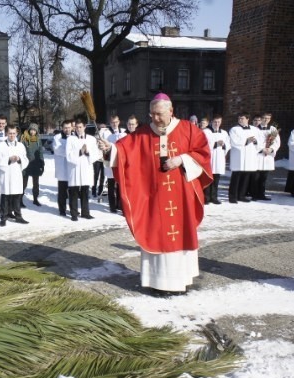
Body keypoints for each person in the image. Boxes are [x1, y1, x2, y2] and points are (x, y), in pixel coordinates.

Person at [98, 93, 212, 293]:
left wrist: (181, 160)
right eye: (152, 114)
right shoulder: (143, 133)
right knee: (156, 235)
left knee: (181, 235)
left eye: (159, 114)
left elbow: (203, 153)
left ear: (171, 111)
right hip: (155, 198)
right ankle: (157, 283)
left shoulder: (188, 130)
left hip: (181, 197)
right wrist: (110, 150)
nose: (155, 118)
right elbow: (124, 151)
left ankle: (181, 280)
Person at [0, 125, 29, 226]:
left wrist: (19, 159)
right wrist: (8, 159)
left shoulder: (20, 146)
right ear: (6, 133)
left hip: (16, 173)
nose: (12, 135)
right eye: (10, 133)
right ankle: (3, 217)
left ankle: (18, 216)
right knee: (5, 196)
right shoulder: (0, 146)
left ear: (17, 133)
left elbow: (25, 159)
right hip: (6, 174)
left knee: (17, 196)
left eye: (14, 133)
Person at [68, 120, 100, 221]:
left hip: (86, 167)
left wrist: (88, 152)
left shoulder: (91, 139)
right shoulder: (70, 139)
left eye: (80, 127)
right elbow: (68, 155)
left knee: (85, 191)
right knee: (74, 191)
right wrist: (79, 152)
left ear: (84, 127)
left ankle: (85, 212)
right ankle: (74, 213)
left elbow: (96, 154)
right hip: (75, 168)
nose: (78, 129)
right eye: (76, 127)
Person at [228, 112, 261, 203]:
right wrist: (246, 140)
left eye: (242, 118)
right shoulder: (234, 129)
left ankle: (241, 195)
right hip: (239, 156)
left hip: (250, 155)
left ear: (247, 119)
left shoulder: (255, 129)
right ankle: (233, 197)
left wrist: (255, 141)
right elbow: (234, 141)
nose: (240, 120)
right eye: (239, 118)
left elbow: (260, 141)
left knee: (246, 176)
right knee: (236, 177)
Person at [251, 112, 280, 201]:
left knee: (264, 177)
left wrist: (271, 149)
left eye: (268, 118)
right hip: (258, 154)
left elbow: (277, 142)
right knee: (256, 176)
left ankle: (262, 194)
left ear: (270, 119)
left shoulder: (273, 129)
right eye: (264, 118)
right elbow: (253, 141)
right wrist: (261, 149)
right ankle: (254, 194)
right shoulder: (254, 129)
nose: (266, 120)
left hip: (268, 156)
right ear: (261, 118)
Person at [202, 115, 231, 205]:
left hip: (219, 158)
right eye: (215, 122)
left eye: (219, 122)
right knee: (208, 178)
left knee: (216, 178)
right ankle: (206, 197)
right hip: (210, 158)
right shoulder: (206, 132)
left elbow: (228, 144)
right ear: (211, 122)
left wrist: (224, 145)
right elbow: (203, 144)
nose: (217, 124)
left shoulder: (224, 133)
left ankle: (214, 197)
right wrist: (215, 143)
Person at [105, 115, 127, 213]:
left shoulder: (124, 133)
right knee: (111, 185)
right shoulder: (107, 135)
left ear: (119, 122)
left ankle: (120, 204)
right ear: (110, 123)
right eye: (112, 122)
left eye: (116, 122)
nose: (114, 124)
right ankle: (112, 206)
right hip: (111, 162)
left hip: (120, 162)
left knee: (120, 185)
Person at [53, 121, 73, 216]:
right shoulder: (57, 137)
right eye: (65, 127)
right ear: (62, 128)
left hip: (72, 169)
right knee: (62, 192)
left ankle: (73, 209)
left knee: (73, 192)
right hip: (62, 169)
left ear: (72, 127)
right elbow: (58, 150)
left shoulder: (74, 137)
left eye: (69, 127)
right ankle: (62, 209)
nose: (67, 129)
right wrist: (71, 152)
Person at [21, 123, 44, 207]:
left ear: (36, 131)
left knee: (36, 183)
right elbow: (21, 152)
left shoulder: (38, 140)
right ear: (29, 130)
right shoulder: (24, 139)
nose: (32, 131)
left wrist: (42, 163)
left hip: (36, 164)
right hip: (26, 164)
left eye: (34, 130)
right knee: (23, 183)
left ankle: (35, 199)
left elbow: (40, 151)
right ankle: (20, 199)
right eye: (31, 129)